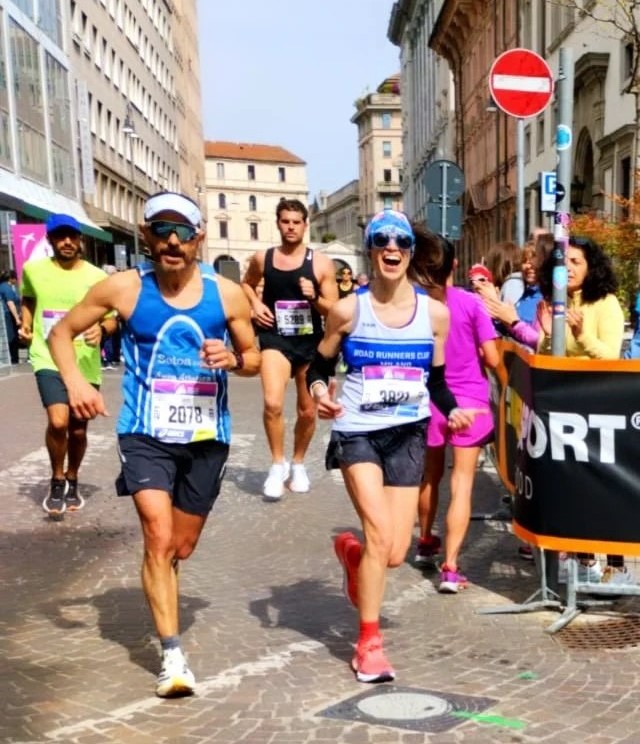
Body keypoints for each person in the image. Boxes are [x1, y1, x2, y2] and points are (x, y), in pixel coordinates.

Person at [48, 191, 261, 698]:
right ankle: (172, 654)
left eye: (182, 232)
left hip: (207, 437)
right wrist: (76, 383)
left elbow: (254, 357)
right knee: (158, 536)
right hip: (145, 432)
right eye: (162, 230)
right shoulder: (123, 289)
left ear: (197, 238)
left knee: (179, 547)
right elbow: (61, 333)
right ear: (145, 235)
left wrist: (232, 359)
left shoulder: (226, 294)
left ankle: (163, 596)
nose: (172, 241)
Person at [307, 209, 477, 683]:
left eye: (400, 242)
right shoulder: (347, 311)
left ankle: (353, 556)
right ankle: (369, 645)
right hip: (357, 431)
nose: (391, 249)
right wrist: (322, 396)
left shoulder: (435, 316)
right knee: (380, 533)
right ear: (370, 250)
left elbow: (437, 383)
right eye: (381, 241)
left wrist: (454, 409)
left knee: (396, 551)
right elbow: (317, 371)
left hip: (409, 433)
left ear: (410, 252)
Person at [410, 227, 499, 592]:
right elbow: (492, 357)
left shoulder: (416, 306)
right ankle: (450, 567)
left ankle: (426, 541)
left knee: (429, 477)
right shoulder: (471, 303)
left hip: (429, 400)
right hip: (471, 401)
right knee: (462, 486)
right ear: (456, 265)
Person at [537, 236, 628, 584]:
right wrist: (547, 336)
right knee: (575, 486)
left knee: (604, 488)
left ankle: (616, 563)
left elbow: (610, 357)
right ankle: (583, 559)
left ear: (591, 268)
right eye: (564, 262)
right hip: (567, 414)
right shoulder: (556, 303)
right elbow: (551, 360)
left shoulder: (604, 303)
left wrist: (580, 332)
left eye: (576, 261)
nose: (569, 268)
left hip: (602, 410)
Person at [18, 214, 117, 516]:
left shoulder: (97, 277)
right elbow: (30, 299)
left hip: (84, 361)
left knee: (77, 431)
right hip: (47, 356)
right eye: (60, 237)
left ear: (80, 240)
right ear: (50, 240)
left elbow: (111, 319)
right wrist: (25, 324)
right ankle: (57, 478)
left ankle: (73, 476)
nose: (67, 242)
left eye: (72, 236)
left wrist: (102, 330)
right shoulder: (33, 270)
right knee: (58, 422)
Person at [242, 198, 338, 500]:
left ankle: (298, 463)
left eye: (296, 222)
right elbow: (245, 284)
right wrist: (255, 303)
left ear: (305, 224)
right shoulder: (264, 258)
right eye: (286, 221)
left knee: (307, 411)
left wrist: (313, 298)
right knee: (272, 403)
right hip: (275, 339)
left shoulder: (320, 263)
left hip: (311, 344)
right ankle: (276, 464)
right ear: (278, 223)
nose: (291, 227)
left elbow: (333, 310)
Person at [0, 269, 21, 363]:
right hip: (7, 315)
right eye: (15, 278)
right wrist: (17, 318)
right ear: (11, 278)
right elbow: (10, 304)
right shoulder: (7, 288)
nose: (16, 280)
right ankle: (13, 360)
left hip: (4, 315)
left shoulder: (2, 287)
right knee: (11, 338)